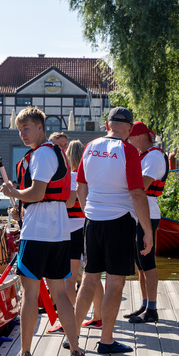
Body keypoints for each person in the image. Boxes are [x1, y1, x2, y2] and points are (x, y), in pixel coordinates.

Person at [0, 107, 90, 356]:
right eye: (19, 129)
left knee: (29, 293)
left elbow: (38, 193)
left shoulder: (41, 154)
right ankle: (75, 351)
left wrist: (13, 192)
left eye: (27, 128)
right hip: (59, 231)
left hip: (37, 230)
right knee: (60, 293)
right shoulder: (55, 154)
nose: (22, 134)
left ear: (40, 128)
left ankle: (25, 353)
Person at [73, 107, 153, 355]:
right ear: (129, 128)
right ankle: (106, 340)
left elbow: (80, 187)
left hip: (93, 221)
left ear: (107, 125)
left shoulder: (89, 147)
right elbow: (137, 194)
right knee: (115, 282)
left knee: (89, 280)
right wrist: (147, 230)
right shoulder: (127, 150)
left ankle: (72, 336)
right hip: (119, 220)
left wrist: (89, 212)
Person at [47, 139, 105, 334]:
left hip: (72, 230)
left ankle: (67, 320)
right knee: (92, 275)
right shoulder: (91, 176)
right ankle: (99, 316)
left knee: (69, 279)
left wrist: (50, 204)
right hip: (88, 227)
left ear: (70, 157)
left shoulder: (72, 177)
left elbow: (71, 202)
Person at [124, 121, 167, 324]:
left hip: (147, 213)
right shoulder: (143, 156)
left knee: (147, 263)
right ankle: (144, 304)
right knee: (140, 264)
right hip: (137, 214)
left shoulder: (155, 156)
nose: (129, 141)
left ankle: (152, 309)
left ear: (139, 136)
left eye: (130, 137)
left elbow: (142, 184)